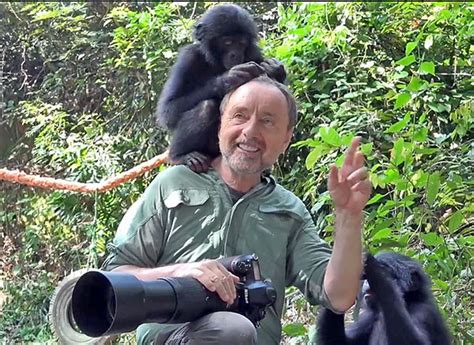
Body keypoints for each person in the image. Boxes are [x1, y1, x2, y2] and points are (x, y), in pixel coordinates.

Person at [102, 75, 372, 344]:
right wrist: (182, 272)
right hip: (170, 339)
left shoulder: (289, 211)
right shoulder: (172, 186)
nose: (251, 131)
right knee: (229, 328)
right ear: (220, 125)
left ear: (286, 138)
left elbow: (338, 296)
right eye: (240, 116)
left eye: (267, 121)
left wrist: (349, 215)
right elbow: (114, 277)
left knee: (233, 329)